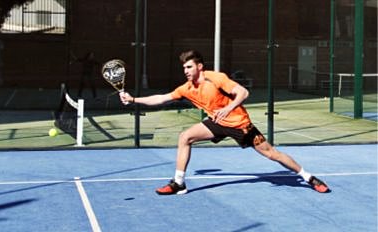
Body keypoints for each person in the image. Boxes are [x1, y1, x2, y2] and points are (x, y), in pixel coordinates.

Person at [119, 50, 329, 195]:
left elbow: (243, 92)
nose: (186, 70)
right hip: (216, 122)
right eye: (184, 67)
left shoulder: (215, 78)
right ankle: (179, 183)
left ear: (199, 66)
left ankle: (309, 178)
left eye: (189, 67)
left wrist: (228, 108)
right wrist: (134, 99)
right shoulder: (186, 88)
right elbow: (162, 98)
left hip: (239, 124)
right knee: (185, 137)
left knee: (271, 154)